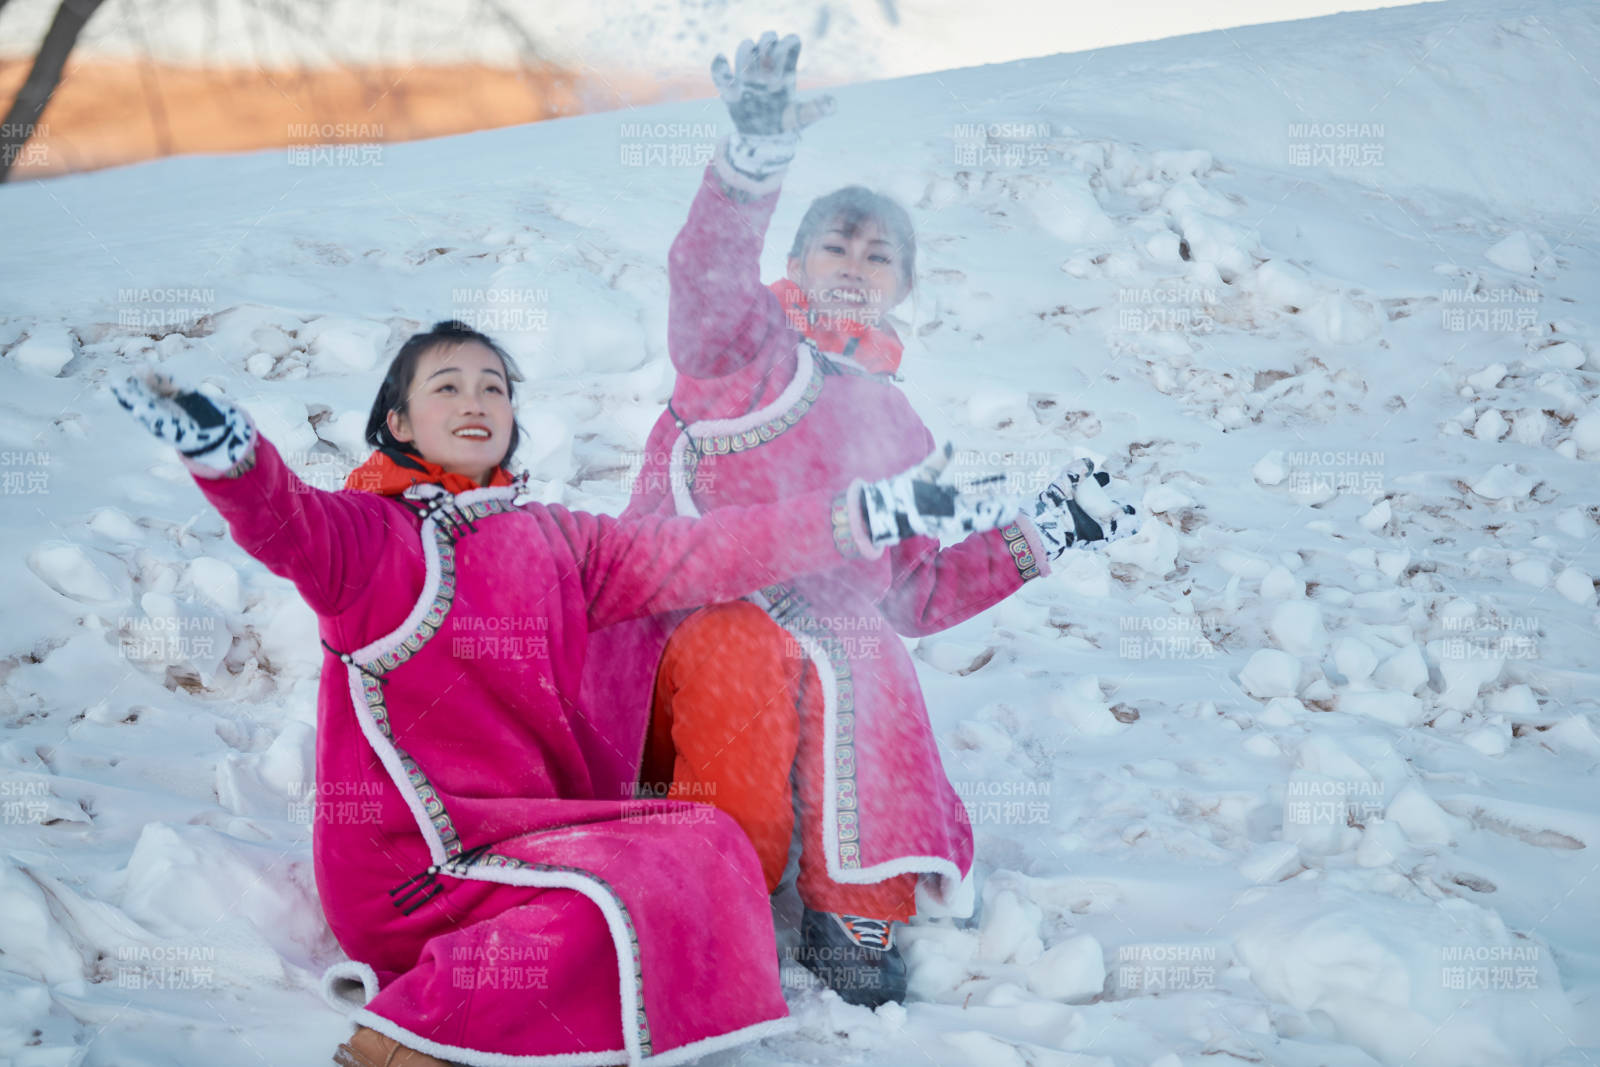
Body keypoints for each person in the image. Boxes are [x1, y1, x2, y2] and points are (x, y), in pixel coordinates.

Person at [111, 319, 1011, 1067]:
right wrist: (230, 460)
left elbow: (708, 551)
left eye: (495, 388)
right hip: (411, 865)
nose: (476, 401)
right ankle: (408, 1039)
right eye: (449, 386)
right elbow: (286, 522)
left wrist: (868, 514)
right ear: (397, 418)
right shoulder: (370, 537)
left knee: (706, 844)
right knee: (613, 896)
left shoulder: (553, 539)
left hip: (522, 841)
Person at [581, 33, 1140, 1007]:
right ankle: (721, 896)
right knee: (745, 653)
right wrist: (747, 165)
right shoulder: (746, 351)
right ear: (794, 259)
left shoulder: (901, 424)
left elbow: (915, 592)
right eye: (834, 243)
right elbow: (703, 282)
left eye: (878, 253)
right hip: (695, 604)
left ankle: (856, 912)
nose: (854, 262)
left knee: (873, 653)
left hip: (833, 638)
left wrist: (1042, 531)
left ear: (903, 285)